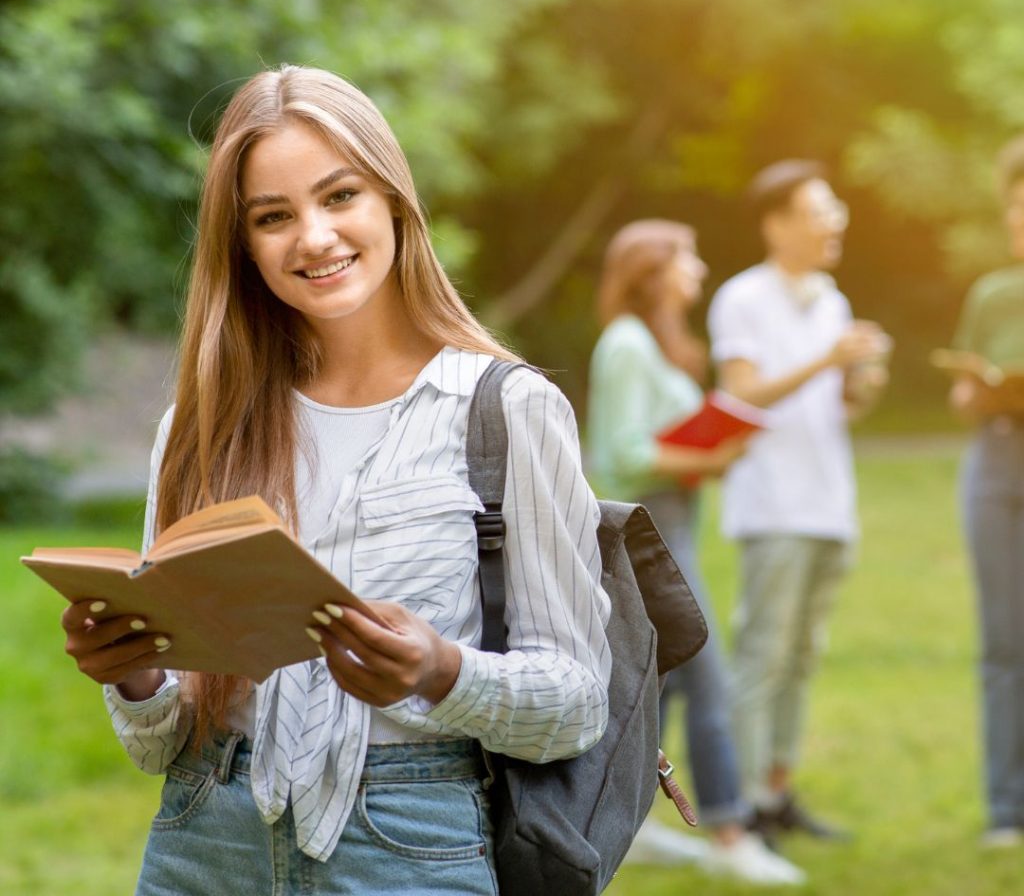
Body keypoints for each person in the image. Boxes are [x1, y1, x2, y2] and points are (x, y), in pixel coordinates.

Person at [59, 65, 612, 895]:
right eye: (273, 217)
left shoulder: (506, 409)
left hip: (408, 843)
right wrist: (132, 674)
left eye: (340, 195)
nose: (313, 237)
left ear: (392, 198)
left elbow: (578, 705)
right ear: (243, 246)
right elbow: (157, 745)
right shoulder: (201, 424)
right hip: (201, 838)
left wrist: (440, 670)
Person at [587, 219, 805, 885]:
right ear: (653, 273)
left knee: (666, 682)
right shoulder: (626, 344)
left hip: (672, 524)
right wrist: (708, 457)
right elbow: (620, 453)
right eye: (688, 260)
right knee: (709, 674)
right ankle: (731, 830)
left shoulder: (651, 344)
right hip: (649, 529)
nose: (700, 273)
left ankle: (628, 824)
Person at [707, 160, 890, 848]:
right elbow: (740, 397)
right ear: (777, 224)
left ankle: (778, 793)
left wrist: (860, 380)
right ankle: (745, 805)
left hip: (829, 504)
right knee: (763, 656)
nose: (835, 219)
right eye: (820, 209)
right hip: (773, 505)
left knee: (805, 657)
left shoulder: (832, 299)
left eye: (835, 207)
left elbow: (837, 404)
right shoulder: (743, 298)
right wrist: (826, 360)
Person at [948, 135, 1024, 848]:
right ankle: (1007, 810)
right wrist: (976, 387)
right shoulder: (992, 293)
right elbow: (962, 395)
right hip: (997, 465)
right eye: (1013, 210)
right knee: (1004, 642)